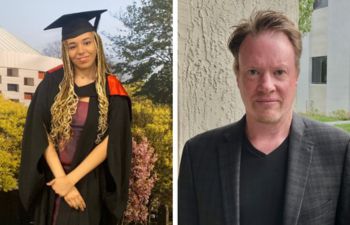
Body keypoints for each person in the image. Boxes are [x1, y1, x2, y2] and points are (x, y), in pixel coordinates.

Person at [178, 10, 350, 225]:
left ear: (296, 75)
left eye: (279, 72)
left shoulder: (339, 150)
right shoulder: (198, 155)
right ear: (238, 77)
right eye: (253, 72)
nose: (266, 86)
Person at [19, 10, 132, 225]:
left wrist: (70, 181)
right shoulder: (53, 82)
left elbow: (113, 141)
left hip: (88, 182)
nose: (81, 51)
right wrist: (61, 179)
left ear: (96, 44)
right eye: (72, 46)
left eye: (87, 42)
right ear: (66, 51)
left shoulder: (112, 89)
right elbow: (39, 130)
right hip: (53, 180)